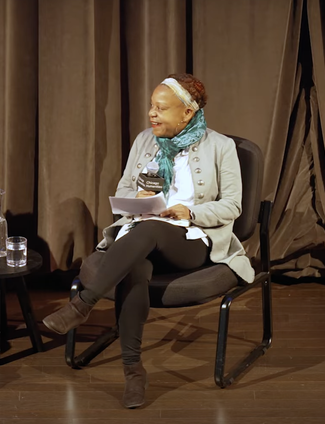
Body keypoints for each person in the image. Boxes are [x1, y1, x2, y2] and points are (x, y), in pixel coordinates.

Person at [43, 73, 254, 409]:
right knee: (136, 267)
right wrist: (137, 197)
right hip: (140, 236)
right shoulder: (144, 141)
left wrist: (191, 212)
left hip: (191, 239)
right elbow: (124, 190)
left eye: (161, 108)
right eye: (151, 107)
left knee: (153, 229)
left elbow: (233, 205)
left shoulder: (220, 147)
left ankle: (83, 304)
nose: (152, 114)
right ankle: (133, 371)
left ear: (187, 112)